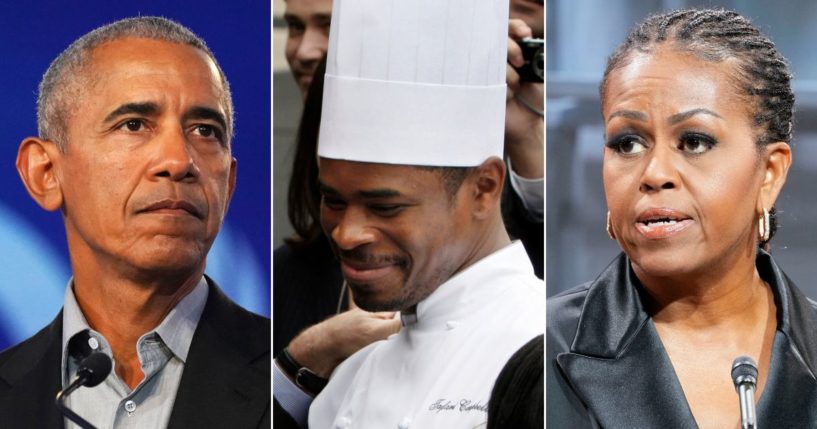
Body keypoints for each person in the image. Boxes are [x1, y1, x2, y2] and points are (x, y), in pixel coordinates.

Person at [547, 8, 817, 428]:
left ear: (770, 173)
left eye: (693, 141)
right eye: (627, 143)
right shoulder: (539, 345)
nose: (654, 173)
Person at [0, 17, 270, 428]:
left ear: (229, 184)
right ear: (46, 173)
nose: (179, 161)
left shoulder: (288, 381)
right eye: (134, 124)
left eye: (204, 130)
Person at [289, 0, 543, 427]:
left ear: (483, 188)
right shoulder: (348, 377)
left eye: (385, 207)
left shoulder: (547, 349)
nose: (347, 233)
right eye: (333, 200)